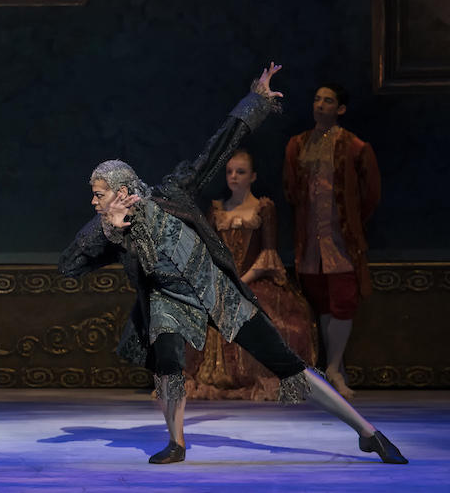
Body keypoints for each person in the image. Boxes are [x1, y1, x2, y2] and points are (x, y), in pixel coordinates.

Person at [59, 64, 406, 465]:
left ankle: (367, 432)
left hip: (216, 289)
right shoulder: (110, 227)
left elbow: (218, 147)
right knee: (168, 359)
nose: (93, 201)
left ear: (121, 190)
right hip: (171, 302)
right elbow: (69, 265)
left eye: (99, 194)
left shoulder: (171, 193)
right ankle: (176, 442)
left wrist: (255, 101)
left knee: (286, 364)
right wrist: (107, 228)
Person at [185, 150, 317, 401]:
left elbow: (267, 255)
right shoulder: (216, 211)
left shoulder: (263, 208)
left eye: (240, 172)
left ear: (253, 176)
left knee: (268, 319)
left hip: (254, 282)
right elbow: (209, 252)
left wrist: (240, 283)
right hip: (222, 282)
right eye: (230, 171)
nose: (234, 176)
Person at [283, 82, 380, 400]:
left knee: (343, 303)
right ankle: (331, 366)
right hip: (310, 242)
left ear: (340, 109)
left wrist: (351, 223)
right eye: (316, 99)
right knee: (322, 302)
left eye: (327, 101)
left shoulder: (355, 147)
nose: (319, 105)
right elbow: (291, 190)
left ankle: (335, 367)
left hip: (340, 241)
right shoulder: (297, 145)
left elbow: (370, 193)